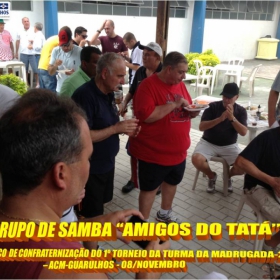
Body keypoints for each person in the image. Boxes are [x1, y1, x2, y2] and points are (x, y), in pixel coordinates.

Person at [0, 89, 168, 279]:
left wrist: (90, 228)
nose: (88, 166)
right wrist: (148, 274)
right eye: (88, 158)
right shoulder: (78, 271)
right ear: (61, 174)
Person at [129, 51, 200, 223]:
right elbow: (147, 116)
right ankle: (142, 223)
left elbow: (186, 104)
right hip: (153, 153)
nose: (184, 76)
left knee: (171, 183)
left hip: (178, 152)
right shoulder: (147, 86)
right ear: (169, 69)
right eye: (181, 72)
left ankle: (164, 213)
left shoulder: (180, 85)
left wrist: (191, 112)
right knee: (149, 189)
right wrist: (174, 104)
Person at [72, 53, 140, 218]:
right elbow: (82, 137)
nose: (123, 81)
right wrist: (116, 128)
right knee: (90, 215)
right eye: (119, 76)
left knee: (100, 206)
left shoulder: (110, 92)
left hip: (106, 164)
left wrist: (125, 128)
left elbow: (109, 124)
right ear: (104, 74)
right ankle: (88, 244)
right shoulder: (85, 96)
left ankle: (92, 243)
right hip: (90, 169)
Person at [120, 42, 162, 194]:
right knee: (133, 150)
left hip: (157, 121)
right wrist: (124, 102)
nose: (143, 57)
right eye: (143, 54)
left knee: (156, 153)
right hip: (138, 118)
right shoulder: (141, 71)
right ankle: (133, 179)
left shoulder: (163, 73)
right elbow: (132, 91)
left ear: (157, 57)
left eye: (147, 55)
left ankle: (158, 182)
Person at [234, 126, 280, 261]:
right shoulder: (268, 137)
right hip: (258, 187)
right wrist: (271, 181)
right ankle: (269, 244)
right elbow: (240, 162)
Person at [192, 82, 247, 193]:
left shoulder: (241, 111)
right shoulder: (212, 107)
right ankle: (212, 176)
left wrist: (232, 118)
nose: (226, 100)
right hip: (208, 142)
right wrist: (219, 119)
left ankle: (227, 176)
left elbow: (243, 132)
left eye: (229, 98)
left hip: (230, 145)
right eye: (224, 97)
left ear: (237, 97)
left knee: (244, 166)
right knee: (196, 159)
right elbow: (201, 127)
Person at [48, 26, 82, 93]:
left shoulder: (79, 51)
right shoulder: (56, 51)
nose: (65, 48)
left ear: (71, 41)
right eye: (63, 45)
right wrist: (55, 65)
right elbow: (50, 72)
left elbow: (86, 73)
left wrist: (75, 74)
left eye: (67, 45)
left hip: (76, 89)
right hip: (61, 89)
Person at [15, 17, 38, 86]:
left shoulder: (34, 30)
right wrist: (16, 52)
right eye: (25, 21)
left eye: (28, 21)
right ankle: (26, 83)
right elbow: (17, 41)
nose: (26, 22)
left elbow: (38, 40)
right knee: (24, 70)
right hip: (23, 53)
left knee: (35, 69)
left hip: (33, 53)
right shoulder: (19, 30)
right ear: (22, 23)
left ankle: (38, 83)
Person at [32, 22, 45, 87]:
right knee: (40, 72)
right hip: (40, 55)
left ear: (36, 27)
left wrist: (32, 46)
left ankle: (41, 87)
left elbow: (38, 47)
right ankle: (42, 86)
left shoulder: (38, 35)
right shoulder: (41, 35)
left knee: (39, 72)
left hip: (38, 55)